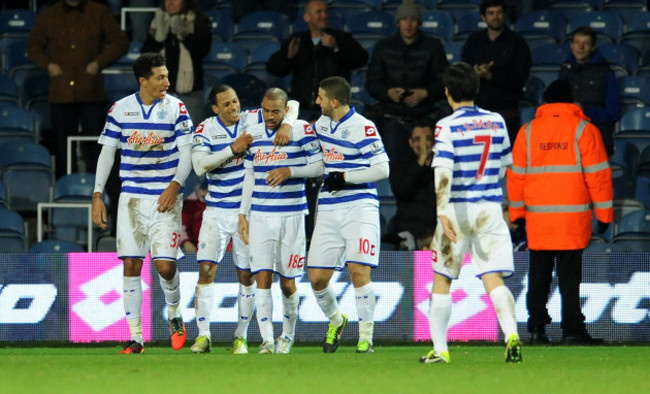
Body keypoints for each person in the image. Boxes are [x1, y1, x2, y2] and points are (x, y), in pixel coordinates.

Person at [91, 53, 193, 354]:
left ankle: (174, 314)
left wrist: (175, 186)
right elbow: (108, 153)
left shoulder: (177, 107)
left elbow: (187, 153)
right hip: (132, 196)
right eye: (160, 77)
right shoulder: (121, 109)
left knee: (164, 266)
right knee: (131, 264)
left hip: (165, 194)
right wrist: (98, 194)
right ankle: (136, 338)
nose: (167, 82)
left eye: (167, 76)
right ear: (143, 81)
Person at [420, 62, 522, 365]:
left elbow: (443, 170)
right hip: (490, 208)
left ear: (447, 91)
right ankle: (512, 336)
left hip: (457, 209)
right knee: (493, 278)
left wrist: (442, 212)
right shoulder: (496, 121)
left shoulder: (447, 125)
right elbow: (505, 164)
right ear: (476, 89)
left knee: (442, 278)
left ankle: (440, 350)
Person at [189, 85, 295, 354]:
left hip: (248, 213)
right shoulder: (205, 130)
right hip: (215, 211)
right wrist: (231, 149)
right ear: (215, 109)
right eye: (226, 104)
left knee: (247, 275)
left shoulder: (253, 118)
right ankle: (203, 336)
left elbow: (289, 103)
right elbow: (200, 166)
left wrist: (288, 125)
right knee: (205, 271)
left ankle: (241, 336)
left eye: (235, 101)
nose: (233, 107)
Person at [507, 79, 613, 345]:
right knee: (569, 278)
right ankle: (572, 331)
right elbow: (598, 177)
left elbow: (516, 176)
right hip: (571, 218)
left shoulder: (528, 131)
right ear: (571, 101)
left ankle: (536, 330)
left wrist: (516, 214)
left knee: (539, 276)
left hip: (538, 218)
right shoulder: (584, 130)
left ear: (545, 101)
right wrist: (604, 215)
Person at [238, 88, 324, 354]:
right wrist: (243, 213)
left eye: (276, 111)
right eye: (266, 110)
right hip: (261, 215)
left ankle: (287, 336)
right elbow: (250, 176)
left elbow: (320, 166)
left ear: (286, 110)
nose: (270, 116)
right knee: (261, 276)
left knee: (288, 282)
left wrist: (290, 170)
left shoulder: (301, 130)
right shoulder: (253, 133)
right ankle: (267, 339)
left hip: (293, 215)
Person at [308, 76, 390, 354]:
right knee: (317, 279)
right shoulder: (320, 124)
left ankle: (365, 338)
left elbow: (382, 169)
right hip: (329, 207)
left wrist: (345, 176)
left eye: (319, 97)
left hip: (360, 206)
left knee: (358, 271)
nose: (316, 101)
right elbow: (299, 127)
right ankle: (337, 319)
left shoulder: (364, 127)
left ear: (333, 101)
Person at [26, 0, 130, 177]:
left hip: (91, 91)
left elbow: (120, 42)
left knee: (95, 147)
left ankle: (97, 191)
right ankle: (67, 192)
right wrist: (48, 65)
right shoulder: (49, 14)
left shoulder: (99, 12)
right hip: (61, 92)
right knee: (62, 148)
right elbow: (32, 46)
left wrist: (98, 63)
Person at [365, 0, 449, 160]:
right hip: (392, 118)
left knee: (426, 168)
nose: (408, 24)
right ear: (398, 22)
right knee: (395, 170)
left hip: (425, 117)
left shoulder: (433, 46)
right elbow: (371, 83)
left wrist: (425, 93)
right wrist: (388, 92)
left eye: (413, 19)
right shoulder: (383, 47)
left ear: (419, 22)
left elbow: (444, 80)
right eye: (404, 19)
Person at [266, 0, 368, 122]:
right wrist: (288, 56)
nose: (324, 16)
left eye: (325, 12)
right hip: (302, 110)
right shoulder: (296, 41)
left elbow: (361, 59)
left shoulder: (341, 38)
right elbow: (273, 69)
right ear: (307, 17)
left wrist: (337, 48)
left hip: (333, 111)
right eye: (319, 12)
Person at [460, 0, 531, 145]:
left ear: (504, 15)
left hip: (506, 113)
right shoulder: (474, 41)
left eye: (499, 12)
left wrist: (491, 76)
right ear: (483, 17)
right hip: (476, 112)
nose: (495, 17)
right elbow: (463, 72)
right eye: (490, 13)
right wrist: (474, 73)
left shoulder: (517, 43)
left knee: (507, 160)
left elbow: (520, 79)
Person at [141, 0, 211, 127]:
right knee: (162, 138)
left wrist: (183, 35)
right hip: (160, 92)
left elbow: (202, 50)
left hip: (190, 92)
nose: (170, 3)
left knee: (190, 137)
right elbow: (146, 56)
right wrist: (158, 38)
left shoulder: (198, 21)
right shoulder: (158, 21)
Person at [558, 26, 621, 156]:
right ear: (571, 45)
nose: (580, 47)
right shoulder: (564, 71)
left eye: (585, 44)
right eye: (577, 43)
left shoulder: (606, 73)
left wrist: (584, 110)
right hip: (568, 138)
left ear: (593, 47)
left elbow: (613, 113)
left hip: (597, 137)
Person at [388, 119, 437, 242]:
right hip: (409, 232)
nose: (422, 144)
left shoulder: (442, 167)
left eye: (427, 139)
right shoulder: (400, 167)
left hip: (437, 232)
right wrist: (421, 161)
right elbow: (403, 192)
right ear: (410, 143)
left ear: (434, 142)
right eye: (417, 140)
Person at [180, 177, 207, 252]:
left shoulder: (220, 203)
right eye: (209, 191)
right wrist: (186, 241)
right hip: (192, 245)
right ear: (202, 191)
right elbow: (181, 225)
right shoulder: (190, 203)